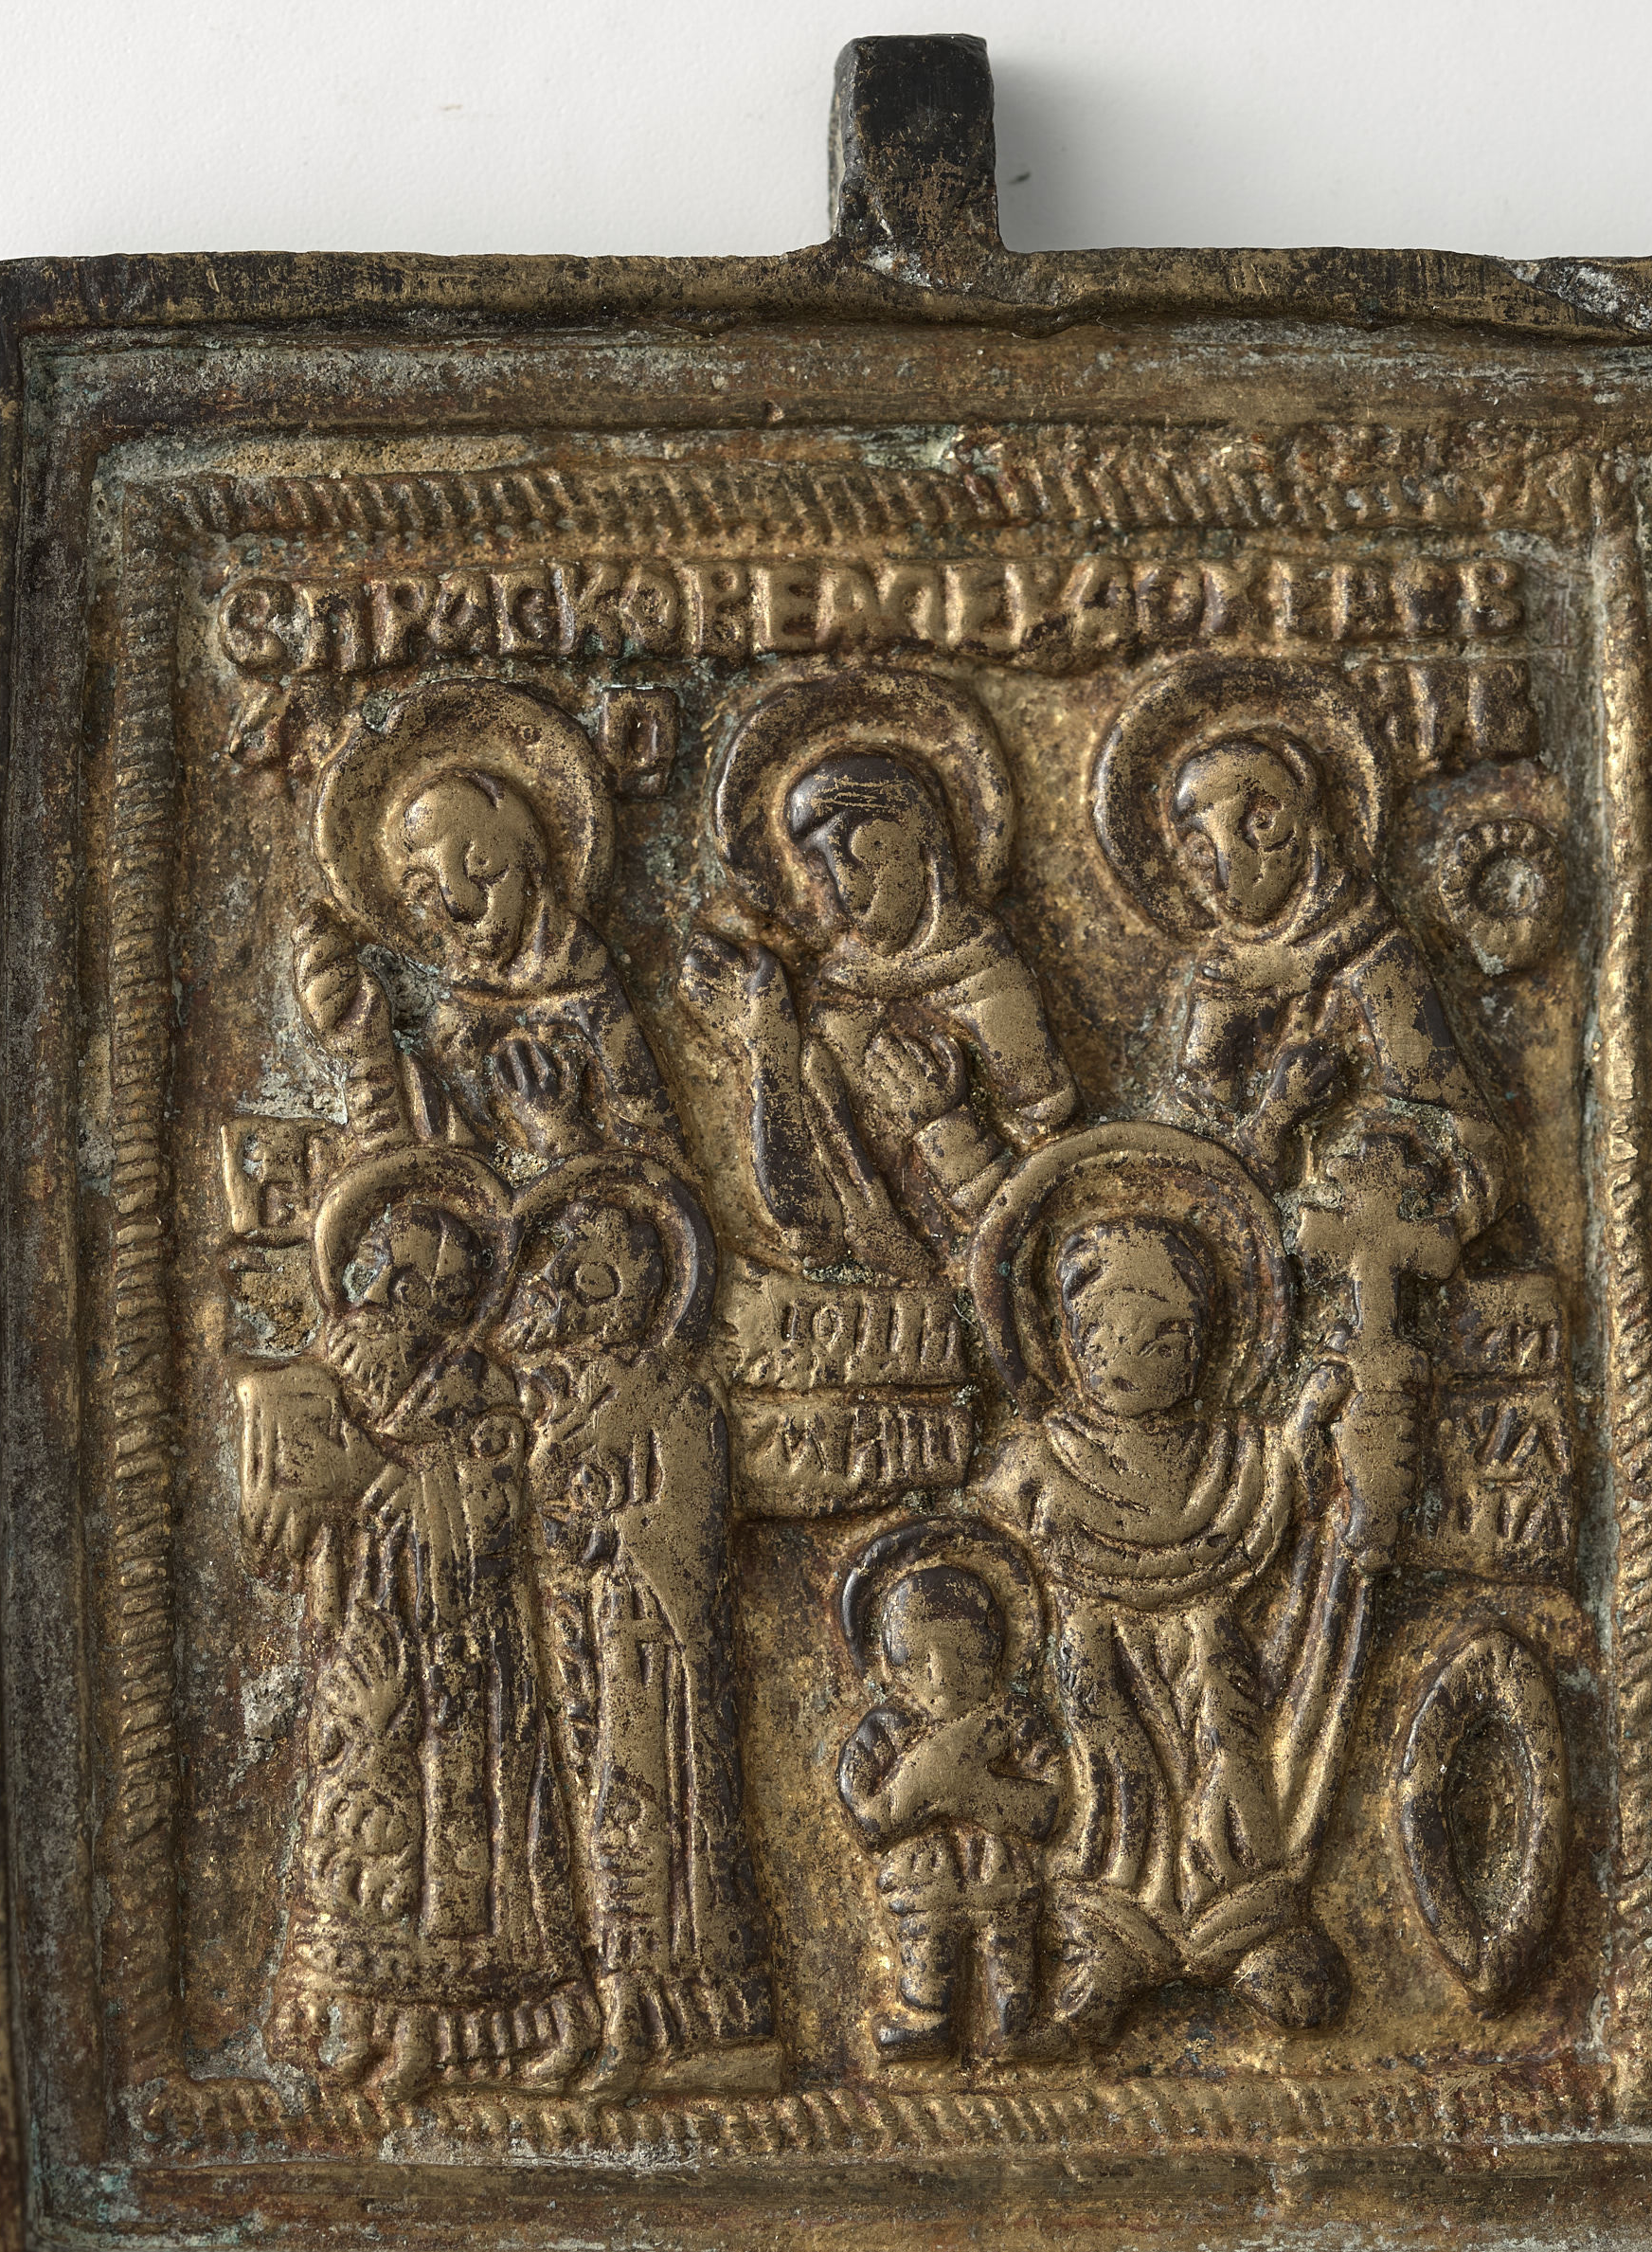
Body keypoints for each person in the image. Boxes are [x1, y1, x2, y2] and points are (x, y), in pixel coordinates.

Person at [239, 1172, 592, 2099]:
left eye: (432, 1291)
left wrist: (380, 1480)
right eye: (389, 1280)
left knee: (456, 1846)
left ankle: (466, 2034)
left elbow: (492, 1518)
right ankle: (360, 2017)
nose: (401, 1304)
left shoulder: (477, 1388)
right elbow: (287, 1505)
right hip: (368, 1634)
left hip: (463, 1656)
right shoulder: (333, 1374)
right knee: (362, 1823)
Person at [975, 1211, 1355, 2045]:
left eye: (1162, 1336)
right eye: (1102, 1335)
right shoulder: (1038, 1460)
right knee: (1114, 1783)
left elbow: (1281, 1494)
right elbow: (990, 1541)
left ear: (1202, 1347)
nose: (1128, 1357)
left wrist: (1309, 1419)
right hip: (1096, 1658)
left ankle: (1245, 1928)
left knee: (1229, 1760)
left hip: (1208, 1652)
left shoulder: (1230, 1453)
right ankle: (1108, 1948)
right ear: (1067, 1342)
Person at [494, 1180, 777, 2098]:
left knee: (645, 1827)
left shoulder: (674, 1396)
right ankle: (584, 2012)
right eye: (564, 1277)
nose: (576, 1301)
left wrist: (605, 1539)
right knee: (573, 1836)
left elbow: (692, 1532)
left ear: (644, 1294)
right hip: (567, 1639)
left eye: (599, 1281)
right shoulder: (548, 1396)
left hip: (650, 1655)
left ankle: (667, 2025)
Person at [680, 752, 1076, 1278]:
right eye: (821, 866)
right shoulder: (836, 998)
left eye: (864, 850)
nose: (847, 887)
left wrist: (944, 1130)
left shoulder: (990, 980)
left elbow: (1056, 1190)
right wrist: (767, 1046)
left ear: (923, 841)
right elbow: (810, 1224)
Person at [1164, 733, 1506, 1234]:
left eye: (1256, 826)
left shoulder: (1375, 958)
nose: (1221, 874)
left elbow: (1472, 1149)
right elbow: (1184, 1161)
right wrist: (1274, 1118)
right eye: (1198, 850)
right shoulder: (1222, 977)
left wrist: (1370, 1159)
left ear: (1292, 823)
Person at [298, 754, 685, 1165]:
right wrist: (366, 1050)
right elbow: (419, 1167)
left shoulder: (592, 993)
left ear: (530, 859)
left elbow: (662, 1170)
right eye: (425, 887)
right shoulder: (446, 1021)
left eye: (479, 863)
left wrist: (561, 1133)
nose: (458, 903)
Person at [835, 1559, 1062, 2064]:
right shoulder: (886, 1729)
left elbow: (1048, 1807)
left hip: (1000, 1873)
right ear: (892, 1666)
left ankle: (1016, 2025)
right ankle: (928, 2020)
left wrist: (974, 1793)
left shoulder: (1012, 1721)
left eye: (965, 1655)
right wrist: (919, 1788)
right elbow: (865, 1811)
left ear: (995, 1652)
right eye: (918, 1659)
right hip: (923, 1878)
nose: (943, 1676)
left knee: (1009, 1946)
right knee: (925, 1944)